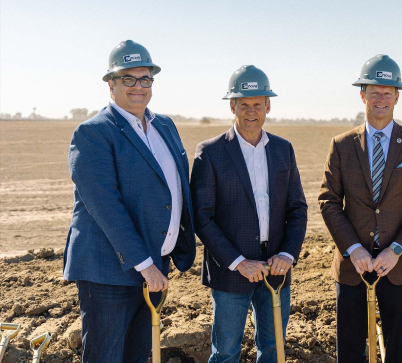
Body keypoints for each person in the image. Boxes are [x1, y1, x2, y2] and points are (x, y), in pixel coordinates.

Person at [64, 40, 196, 363]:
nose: (138, 87)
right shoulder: (93, 134)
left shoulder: (164, 126)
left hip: (154, 268)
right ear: (111, 84)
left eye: (145, 79)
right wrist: (145, 264)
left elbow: (176, 188)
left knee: (138, 356)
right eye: (128, 79)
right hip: (109, 274)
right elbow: (106, 207)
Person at [318, 54, 402, 362]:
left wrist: (396, 249)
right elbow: (329, 201)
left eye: (388, 92)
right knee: (350, 350)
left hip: (399, 266)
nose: (381, 98)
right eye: (374, 92)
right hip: (351, 267)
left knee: (398, 351)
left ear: (397, 96)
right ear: (363, 95)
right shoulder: (342, 145)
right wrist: (353, 248)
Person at [191, 65, 308, 363]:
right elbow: (202, 217)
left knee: (273, 350)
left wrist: (287, 255)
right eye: (244, 104)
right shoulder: (211, 152)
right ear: (232, 106)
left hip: (276, 270)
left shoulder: (284, 149)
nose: (251, 111)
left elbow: (298, 209)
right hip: (232, 272)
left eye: (258, 104)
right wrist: (238, 262)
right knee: (226, 352)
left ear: (268, 105)